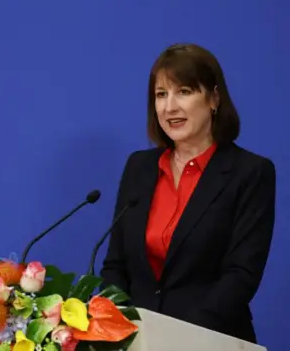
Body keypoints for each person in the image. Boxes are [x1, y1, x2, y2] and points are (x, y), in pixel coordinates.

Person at [100, 43, 276, 344]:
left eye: (184, 91)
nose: (169, 107)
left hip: (210, 339)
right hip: (136, 341)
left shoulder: (250, 172)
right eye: (160, 94)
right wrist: (121, 328)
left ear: (214, 99)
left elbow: (241, 274)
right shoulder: (139, 167)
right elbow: (115, 265)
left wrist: (179, 339)